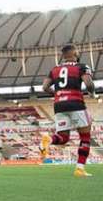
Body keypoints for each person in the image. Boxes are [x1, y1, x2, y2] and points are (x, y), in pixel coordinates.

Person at [39, 44, 95, 177]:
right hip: (76, 103)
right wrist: (92, 93)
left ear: (63, 56)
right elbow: (88, 84)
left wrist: (58, 94)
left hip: (59, 105)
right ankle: (79, 169)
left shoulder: (54, 69)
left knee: (63, 138)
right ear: (75, 53)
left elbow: (45, 87)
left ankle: (48, 139)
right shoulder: (81, 67)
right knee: (85, 137)